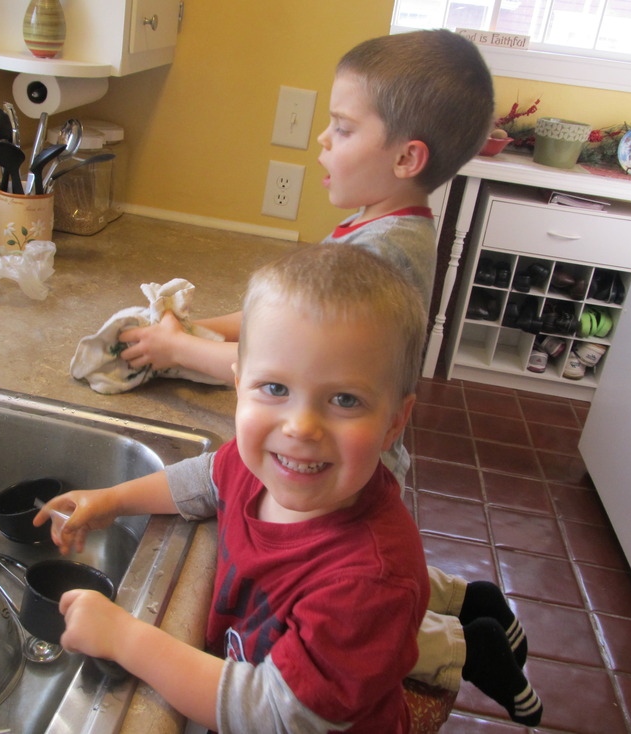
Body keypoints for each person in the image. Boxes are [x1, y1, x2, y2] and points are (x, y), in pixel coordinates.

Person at [111, 29, 542, 727]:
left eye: (341, 127)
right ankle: (471, 602)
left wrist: (181, 350)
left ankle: (466, 647)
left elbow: (286, 370)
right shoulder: (372, 223)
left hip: (350, 469)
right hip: (348, 462)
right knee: (360, 598)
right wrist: (200, 329)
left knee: (358, 619)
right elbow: (289, 326)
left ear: (405, 158)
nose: (321, 139)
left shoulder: (386, 255)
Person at [39, 245, 431, 732]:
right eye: (276, 389)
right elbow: (205, 478)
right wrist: (113, 501)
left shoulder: (368, 582)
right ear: (239, 384)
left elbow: (276, 715)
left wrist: (125, 639)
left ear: (394, 422)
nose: (300, 427)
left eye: (345, 399)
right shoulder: (257, 465)